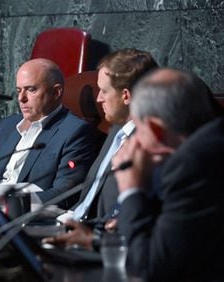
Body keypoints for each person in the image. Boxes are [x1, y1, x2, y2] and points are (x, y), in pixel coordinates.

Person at [111, 68, 224, 281]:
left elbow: (150, 270)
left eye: (138, 129)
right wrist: (97, 239)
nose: (136, 141)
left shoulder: (196, 165)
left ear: (156, 129)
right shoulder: (223, 135)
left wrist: (131, 190)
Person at [43, 48, 158, 248]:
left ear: (126, 96)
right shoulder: (116, 130)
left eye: (104, 91)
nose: (98, 99)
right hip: (73, 225)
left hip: (105, 245)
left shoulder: (148, 144)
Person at [0, 58, 103, 208]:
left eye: (31, 90)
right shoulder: (9, 125)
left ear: (56, 92)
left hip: (22, 216)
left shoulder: (74, 132)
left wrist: (7, 203)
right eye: (19, 90)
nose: (21, 98)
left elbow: (65, 194)